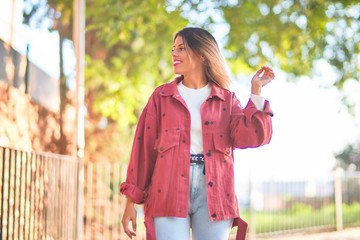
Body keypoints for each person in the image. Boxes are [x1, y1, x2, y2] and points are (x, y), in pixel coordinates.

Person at [120, 27, 274, 240]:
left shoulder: (227, 101)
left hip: (216, 193)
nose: (174, 53)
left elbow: (252, 137)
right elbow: (143, 151)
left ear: (202, 54)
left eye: (181, 48)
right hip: (167, 191)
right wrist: (130, 204)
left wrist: (256, 93)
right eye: (173, 48)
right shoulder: (161, 97)